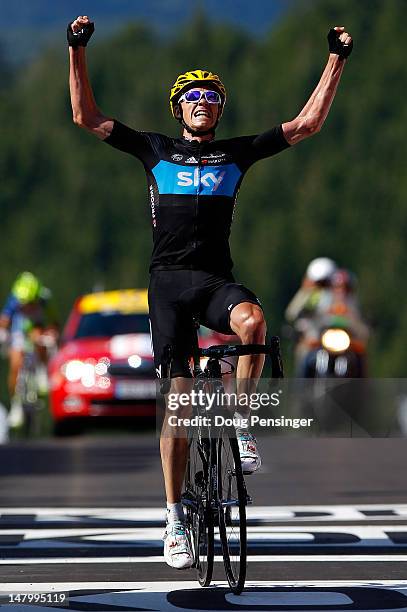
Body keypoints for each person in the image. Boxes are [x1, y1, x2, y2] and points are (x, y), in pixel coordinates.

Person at [67, 16, 353, 568]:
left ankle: (240, 422)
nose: (203, 102)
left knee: (253, 322)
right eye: (193, 96)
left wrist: (337, 59)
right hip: (168, 286)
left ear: (220, 110)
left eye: (212, 96)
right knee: (179, 406)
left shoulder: (236, 155)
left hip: (216, 281)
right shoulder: (155, 150)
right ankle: (174, 515)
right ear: (179, 109)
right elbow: (86, 117)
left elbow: (307, 124)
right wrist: (76, 48)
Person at [0, 272, 59, 427]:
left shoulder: (44, 298)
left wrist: (52, 334)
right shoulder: (15, 297)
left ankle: (42, 370)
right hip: (18, 329)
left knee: (39, 337)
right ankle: (16, 403)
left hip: (37, 327)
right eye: (23, 303)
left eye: (29, 303)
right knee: (15, 365)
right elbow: (5, 320)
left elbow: (53, 322)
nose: (25, 306)